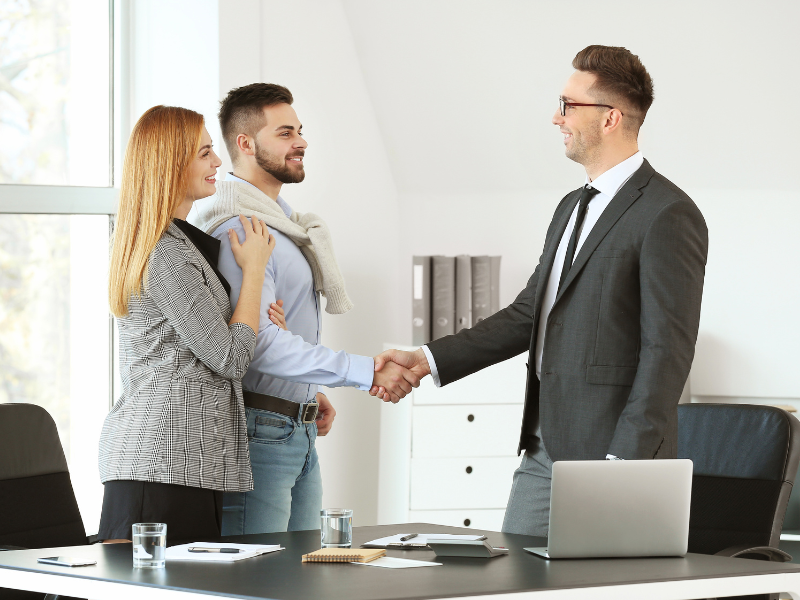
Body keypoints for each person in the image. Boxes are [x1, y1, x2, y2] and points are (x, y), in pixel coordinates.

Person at [372, 45, 709, 536]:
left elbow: (668, 351)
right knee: (515, 583)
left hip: (613, 458)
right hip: (543, 447)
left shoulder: (667, 213)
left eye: (568, 105)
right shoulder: (571, 206)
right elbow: (531, 313)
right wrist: (427, 358)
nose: (557, 117)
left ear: (611, 117)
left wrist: (623, 464)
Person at [191, 83, 419, 535]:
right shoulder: (241, 229)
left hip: (294, 427)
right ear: (245, 143)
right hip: (259, 432)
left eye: (299, 130)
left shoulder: (282, 225)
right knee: (260, 579)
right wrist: (366, 370)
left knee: (301, 574)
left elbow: (277, 330)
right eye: (284, 133)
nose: (301, 142)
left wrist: (306, 390)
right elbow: (254, 345)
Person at [98, 105, 287, 542]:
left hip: (182, 460)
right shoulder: (164, 252)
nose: (218, 162)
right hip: (162, 464)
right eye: (205, 153)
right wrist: (255, 272)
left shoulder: (174, 240)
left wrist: (256, 313)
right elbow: (229, 357)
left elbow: (211, 335)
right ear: (171, 163)